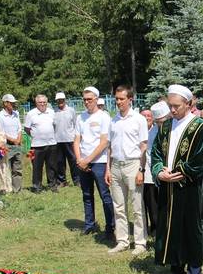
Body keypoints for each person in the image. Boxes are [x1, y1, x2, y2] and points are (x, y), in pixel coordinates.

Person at [151, 85, 203, 274]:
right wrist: (159, 171)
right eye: (170, 106)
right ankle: (176, 268)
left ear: (189, 103)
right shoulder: (165, 126)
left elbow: (200, 158)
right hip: (167, 186)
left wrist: (181, 171)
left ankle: (194, 273)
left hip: (187, 187)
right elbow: (156, 151)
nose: (173, 110)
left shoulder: (199, 127)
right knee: (170, 226)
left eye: (176, 106)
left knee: (190, 228)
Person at [105, 85, 149, 255]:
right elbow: (109, 147)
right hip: (116, 165)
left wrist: (141, 170)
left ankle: (140, 243)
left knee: (137, 206)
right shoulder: (113, 121)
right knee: (119, 206)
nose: (118, 102)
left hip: (133, 164)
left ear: (130, 99)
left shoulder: (138, 119)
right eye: (116, 99)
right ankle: (122, 240)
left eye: (122, 99)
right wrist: (108, 169)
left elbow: (143, 146)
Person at [73, 86, 115, 237]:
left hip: (100, 161)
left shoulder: (104, 117)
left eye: (89, 99)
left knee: (105, 195)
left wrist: (88, 160)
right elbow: (76, 140)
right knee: (87, 194)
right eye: (84, 99)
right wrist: (79, 160)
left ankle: (110, 227)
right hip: (83, 161)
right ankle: (89, 224)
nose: (86, 102)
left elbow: (104, 142)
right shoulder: (80, 117)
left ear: (96, 99)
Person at [142, 102, 170, 234]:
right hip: (153, 171)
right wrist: (156, 171)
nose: (160, 125)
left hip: (171, 173)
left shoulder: (174, 129)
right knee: (153, 202)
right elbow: (148, 154)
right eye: (157, 122)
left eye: (162, 121)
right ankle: (156, 228)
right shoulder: (152, 132)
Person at [24, 94, 58, 193]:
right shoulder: (31, 114)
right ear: (36, 103)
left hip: (51, 143)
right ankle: (37, 186)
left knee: (52, 166)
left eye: (44, 102)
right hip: (37, 145)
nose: (42, 104)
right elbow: (26, 128)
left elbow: (54, 126)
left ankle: (52, 185)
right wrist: (36, 135)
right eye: (40, 102)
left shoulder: (51, 112)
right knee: (37, 167)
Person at [0, 94, 22, 193]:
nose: (14, 104)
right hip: (6, 145)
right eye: (12, 103)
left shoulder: (16, 114)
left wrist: (18, 139)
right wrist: (13, 139)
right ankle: (5, 189)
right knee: (5, 167)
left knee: (17, 167)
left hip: (17, 144)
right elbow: (1, 132)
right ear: (5, 103)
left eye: (14, 103)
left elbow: (19, 128)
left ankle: (17, 189)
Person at [54, 92, 79, 187]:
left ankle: (77, 180)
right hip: (58, 140)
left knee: (73, 160)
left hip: (70, 139)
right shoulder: (54, 111)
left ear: (65, 100)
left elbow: (76, 124)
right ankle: (62, 181)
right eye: (58, 100)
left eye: (62, 100)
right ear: (56, 101)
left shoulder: (71, 110)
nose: (60, 102)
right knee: (60, 162)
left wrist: (76, 139)